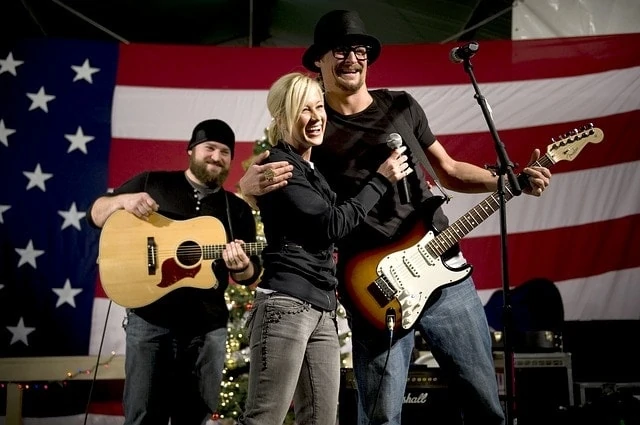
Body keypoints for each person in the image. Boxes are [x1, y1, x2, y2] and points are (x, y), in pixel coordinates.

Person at [239, 10, 552, 425]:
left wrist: (510, 180)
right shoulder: (312, 121)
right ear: (319, 61)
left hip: (443, 272)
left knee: (484, 403)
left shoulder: (401, 104)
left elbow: (450, 170)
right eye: (340, 50)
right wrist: (245, 184)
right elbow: (275, 169)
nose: (352, 57)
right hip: (375, 286)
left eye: (360, 49)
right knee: (382, 414)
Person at [237, 72, 409, 425]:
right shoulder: (279, 166)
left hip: (322, 308)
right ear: (283, 118)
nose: (316, 117)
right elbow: (331, 224)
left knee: (321, 421)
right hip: (286, 306)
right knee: (264, 419)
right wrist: (381, 179)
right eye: (304, 110)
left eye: (319, 107)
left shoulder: (312, 169)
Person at [88, 119, 262, 425]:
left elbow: (251, 277)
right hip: (150, 322)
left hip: (207, 330)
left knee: (194, 417)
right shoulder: (152, 182)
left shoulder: (237, 209)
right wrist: (124, 201)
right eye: (209, 147)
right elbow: (96, 213)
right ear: (191, 150)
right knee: (142, 416)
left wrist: (244, 265)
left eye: (225, 152)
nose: (216, 157)